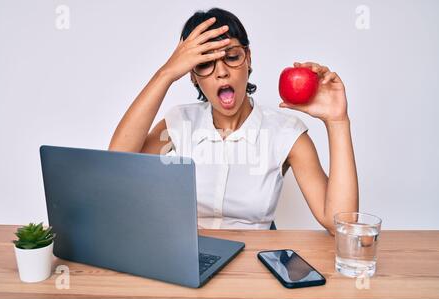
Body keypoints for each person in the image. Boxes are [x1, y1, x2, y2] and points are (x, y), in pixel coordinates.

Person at [108, 8, 358, 235]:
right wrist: (166, 74)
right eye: (204, 63)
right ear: (193, 76)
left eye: (231, 56)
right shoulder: (179, 122)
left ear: (248, 59)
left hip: (254, 268)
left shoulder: (285, 133)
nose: (221, 71)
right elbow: (115, 165)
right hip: (191, 259)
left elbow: (341, 226)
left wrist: (337, 121)